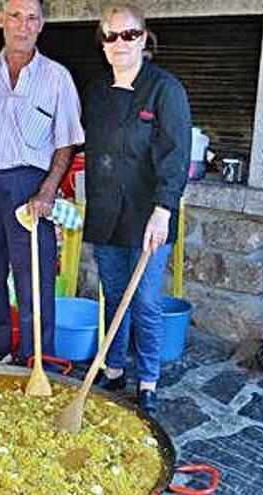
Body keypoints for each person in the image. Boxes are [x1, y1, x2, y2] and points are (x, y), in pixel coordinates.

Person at [0, 0, 84, 366]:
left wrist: (47, 190)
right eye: (15, 16)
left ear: (41, 25)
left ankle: (35, 356)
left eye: (31, 18)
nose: (22, 26)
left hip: (31, 186)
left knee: (34, 276)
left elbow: (67, 141)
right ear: (1, 21)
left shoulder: (57, 77)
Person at [83, 3, 191, 416]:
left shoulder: (166, 90)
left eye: (129, 35)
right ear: (103, 43)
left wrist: (164, 209)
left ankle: (147, 381)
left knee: (145, 300)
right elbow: (84, 148)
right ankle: (113, 370)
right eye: (111, 36)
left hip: (150, 217)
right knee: (112, 295)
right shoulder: (95, 91)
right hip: (107, 212)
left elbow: (176, 155)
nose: (119, 44)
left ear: (144, 38)